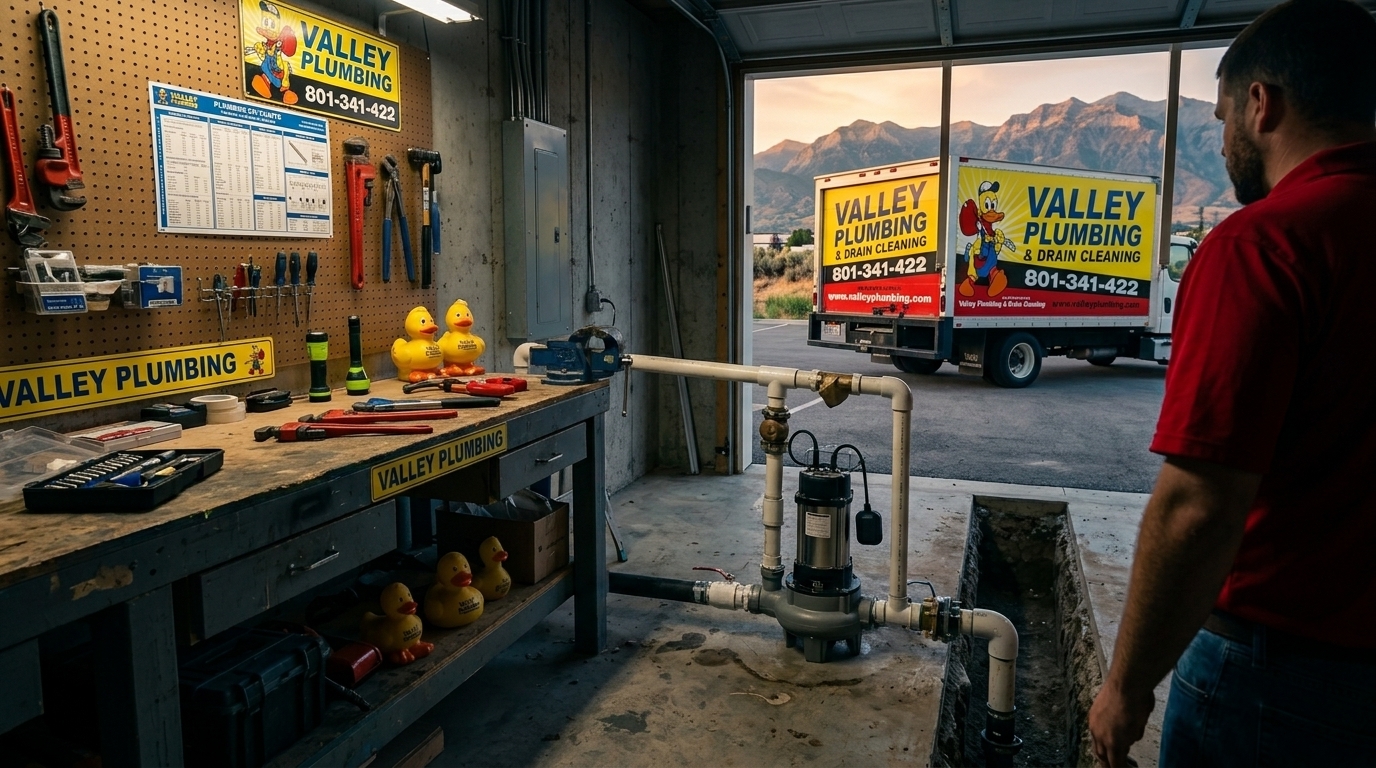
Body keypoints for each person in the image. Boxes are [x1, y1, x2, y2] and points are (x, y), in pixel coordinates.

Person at [1087, 1, 1376, 765]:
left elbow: (1199, 506)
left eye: (1220, 121)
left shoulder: (1265, 245)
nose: (1221, 145)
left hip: (1277, 682)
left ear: (1261, 103)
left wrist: (1126, 687)